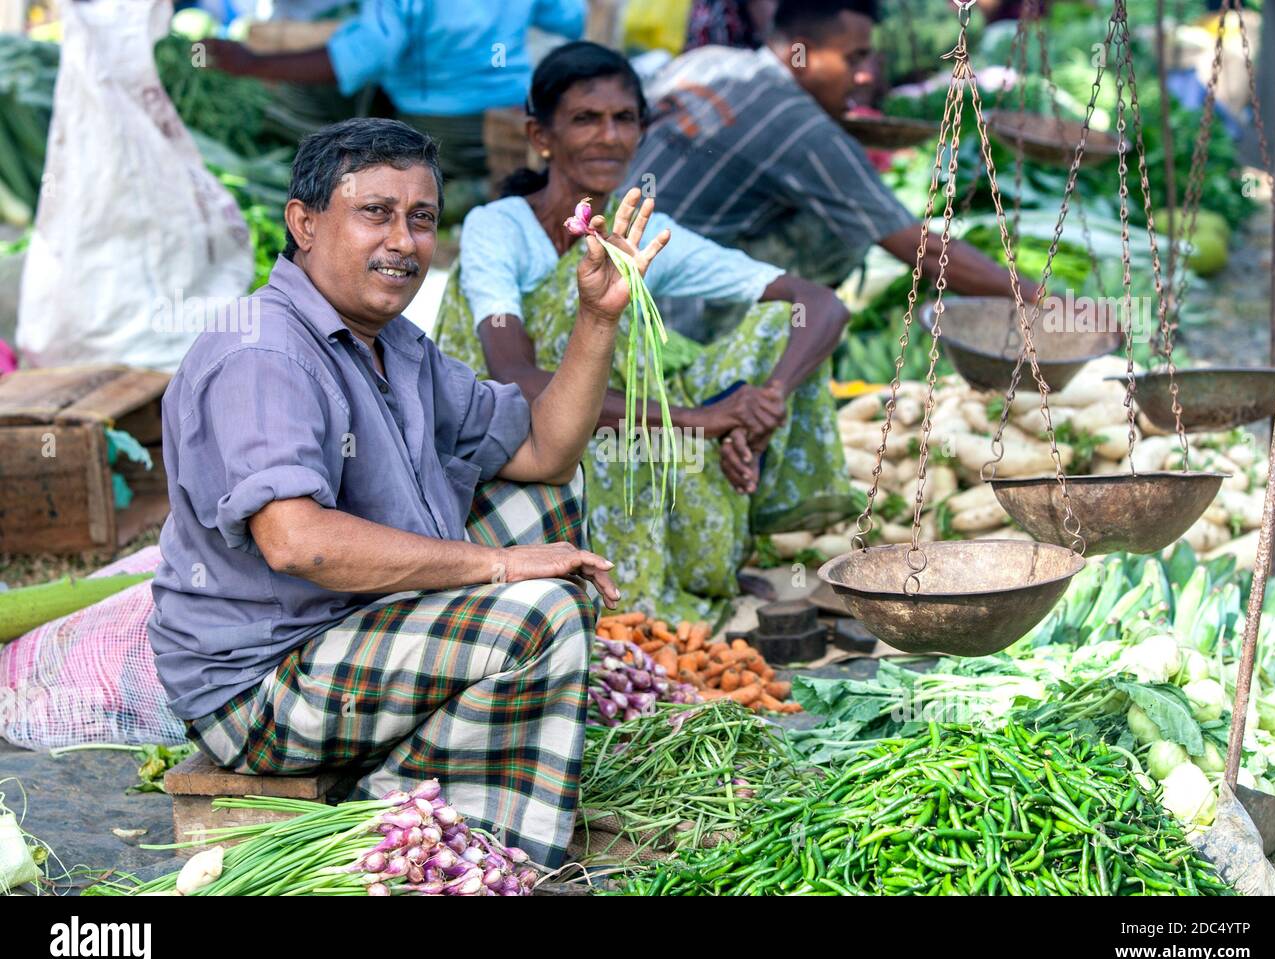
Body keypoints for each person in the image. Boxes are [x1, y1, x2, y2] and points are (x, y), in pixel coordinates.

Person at [147, 117, 669, 867]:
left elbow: (547, 454)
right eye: (375, 213)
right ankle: (446, 843)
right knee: (540, 607)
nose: (403, 242)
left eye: (420, 219)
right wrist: (497, 567)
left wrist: (597, 316)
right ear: (304, 222)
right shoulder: (261, 352)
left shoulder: (395, 343)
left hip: (352, 633)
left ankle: (406, 776)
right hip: (262, 687)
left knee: (545, 506)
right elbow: (299, 541)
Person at [433, 42, 855, 625]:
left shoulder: (645, 234)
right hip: (512, 441)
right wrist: (701, 419)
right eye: (585, 118)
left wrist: (764, 404)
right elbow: (517, 380)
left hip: (626, 425)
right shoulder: (497, 229)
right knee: (597, 297)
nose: (608, 136)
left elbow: (820, 303)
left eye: (623, 119)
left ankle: (736, 489)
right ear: (541, 136)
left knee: (781, 322)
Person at [628, 0, 1040, 342]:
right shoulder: (800, 126)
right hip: (659, 309)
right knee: (848, 229)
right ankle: (737, 342)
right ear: (802, 54)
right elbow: (918, 246)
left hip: (598, 258)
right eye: (853, 59)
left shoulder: (707, 60)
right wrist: (1037, 297)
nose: (865, 76)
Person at [200, 1, 586, 183]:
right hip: (514, 110)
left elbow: (367, 53)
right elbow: (570, 16)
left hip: (440, 125)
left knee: (299, 98)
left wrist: (252, 64)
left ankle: (448, 183)